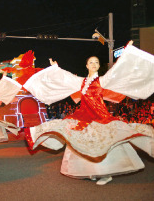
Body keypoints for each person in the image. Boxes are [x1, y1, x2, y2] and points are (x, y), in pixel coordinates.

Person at [24, 43, 154, 185]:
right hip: (83, 116)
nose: (94, 64)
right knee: (79, 140)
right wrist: (56, 69)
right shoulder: (81, 82)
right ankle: (89, 171)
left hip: (100, 116)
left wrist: (126, 54)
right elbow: (66, 78)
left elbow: (117, 71)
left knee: (101, 142)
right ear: (86, 66)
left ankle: (105, 174)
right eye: (91, 62)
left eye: (96, 62)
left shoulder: (102, 81)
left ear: (99, 66)